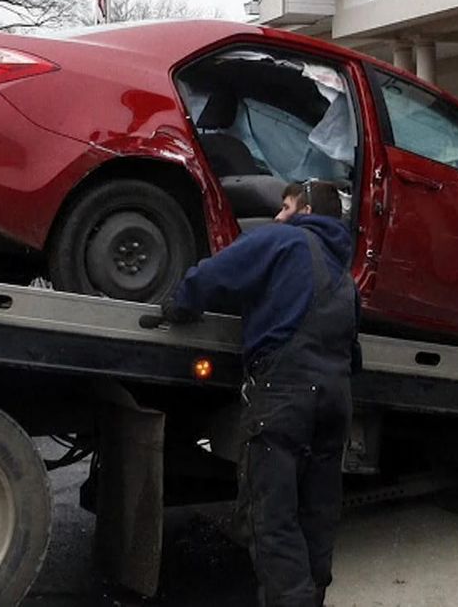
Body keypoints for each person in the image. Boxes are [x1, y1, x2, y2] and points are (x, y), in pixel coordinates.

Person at [155, 180, 361, 607]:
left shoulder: (282, 240)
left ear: (304, 210)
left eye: (285, 207)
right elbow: (352, 353)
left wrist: (179, 303)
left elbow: (215, 275)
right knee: (317, 512)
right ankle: (314, 595)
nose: (277, 215)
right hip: (335, 401)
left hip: (285, 396)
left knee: (272, 517)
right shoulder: (342, 276)